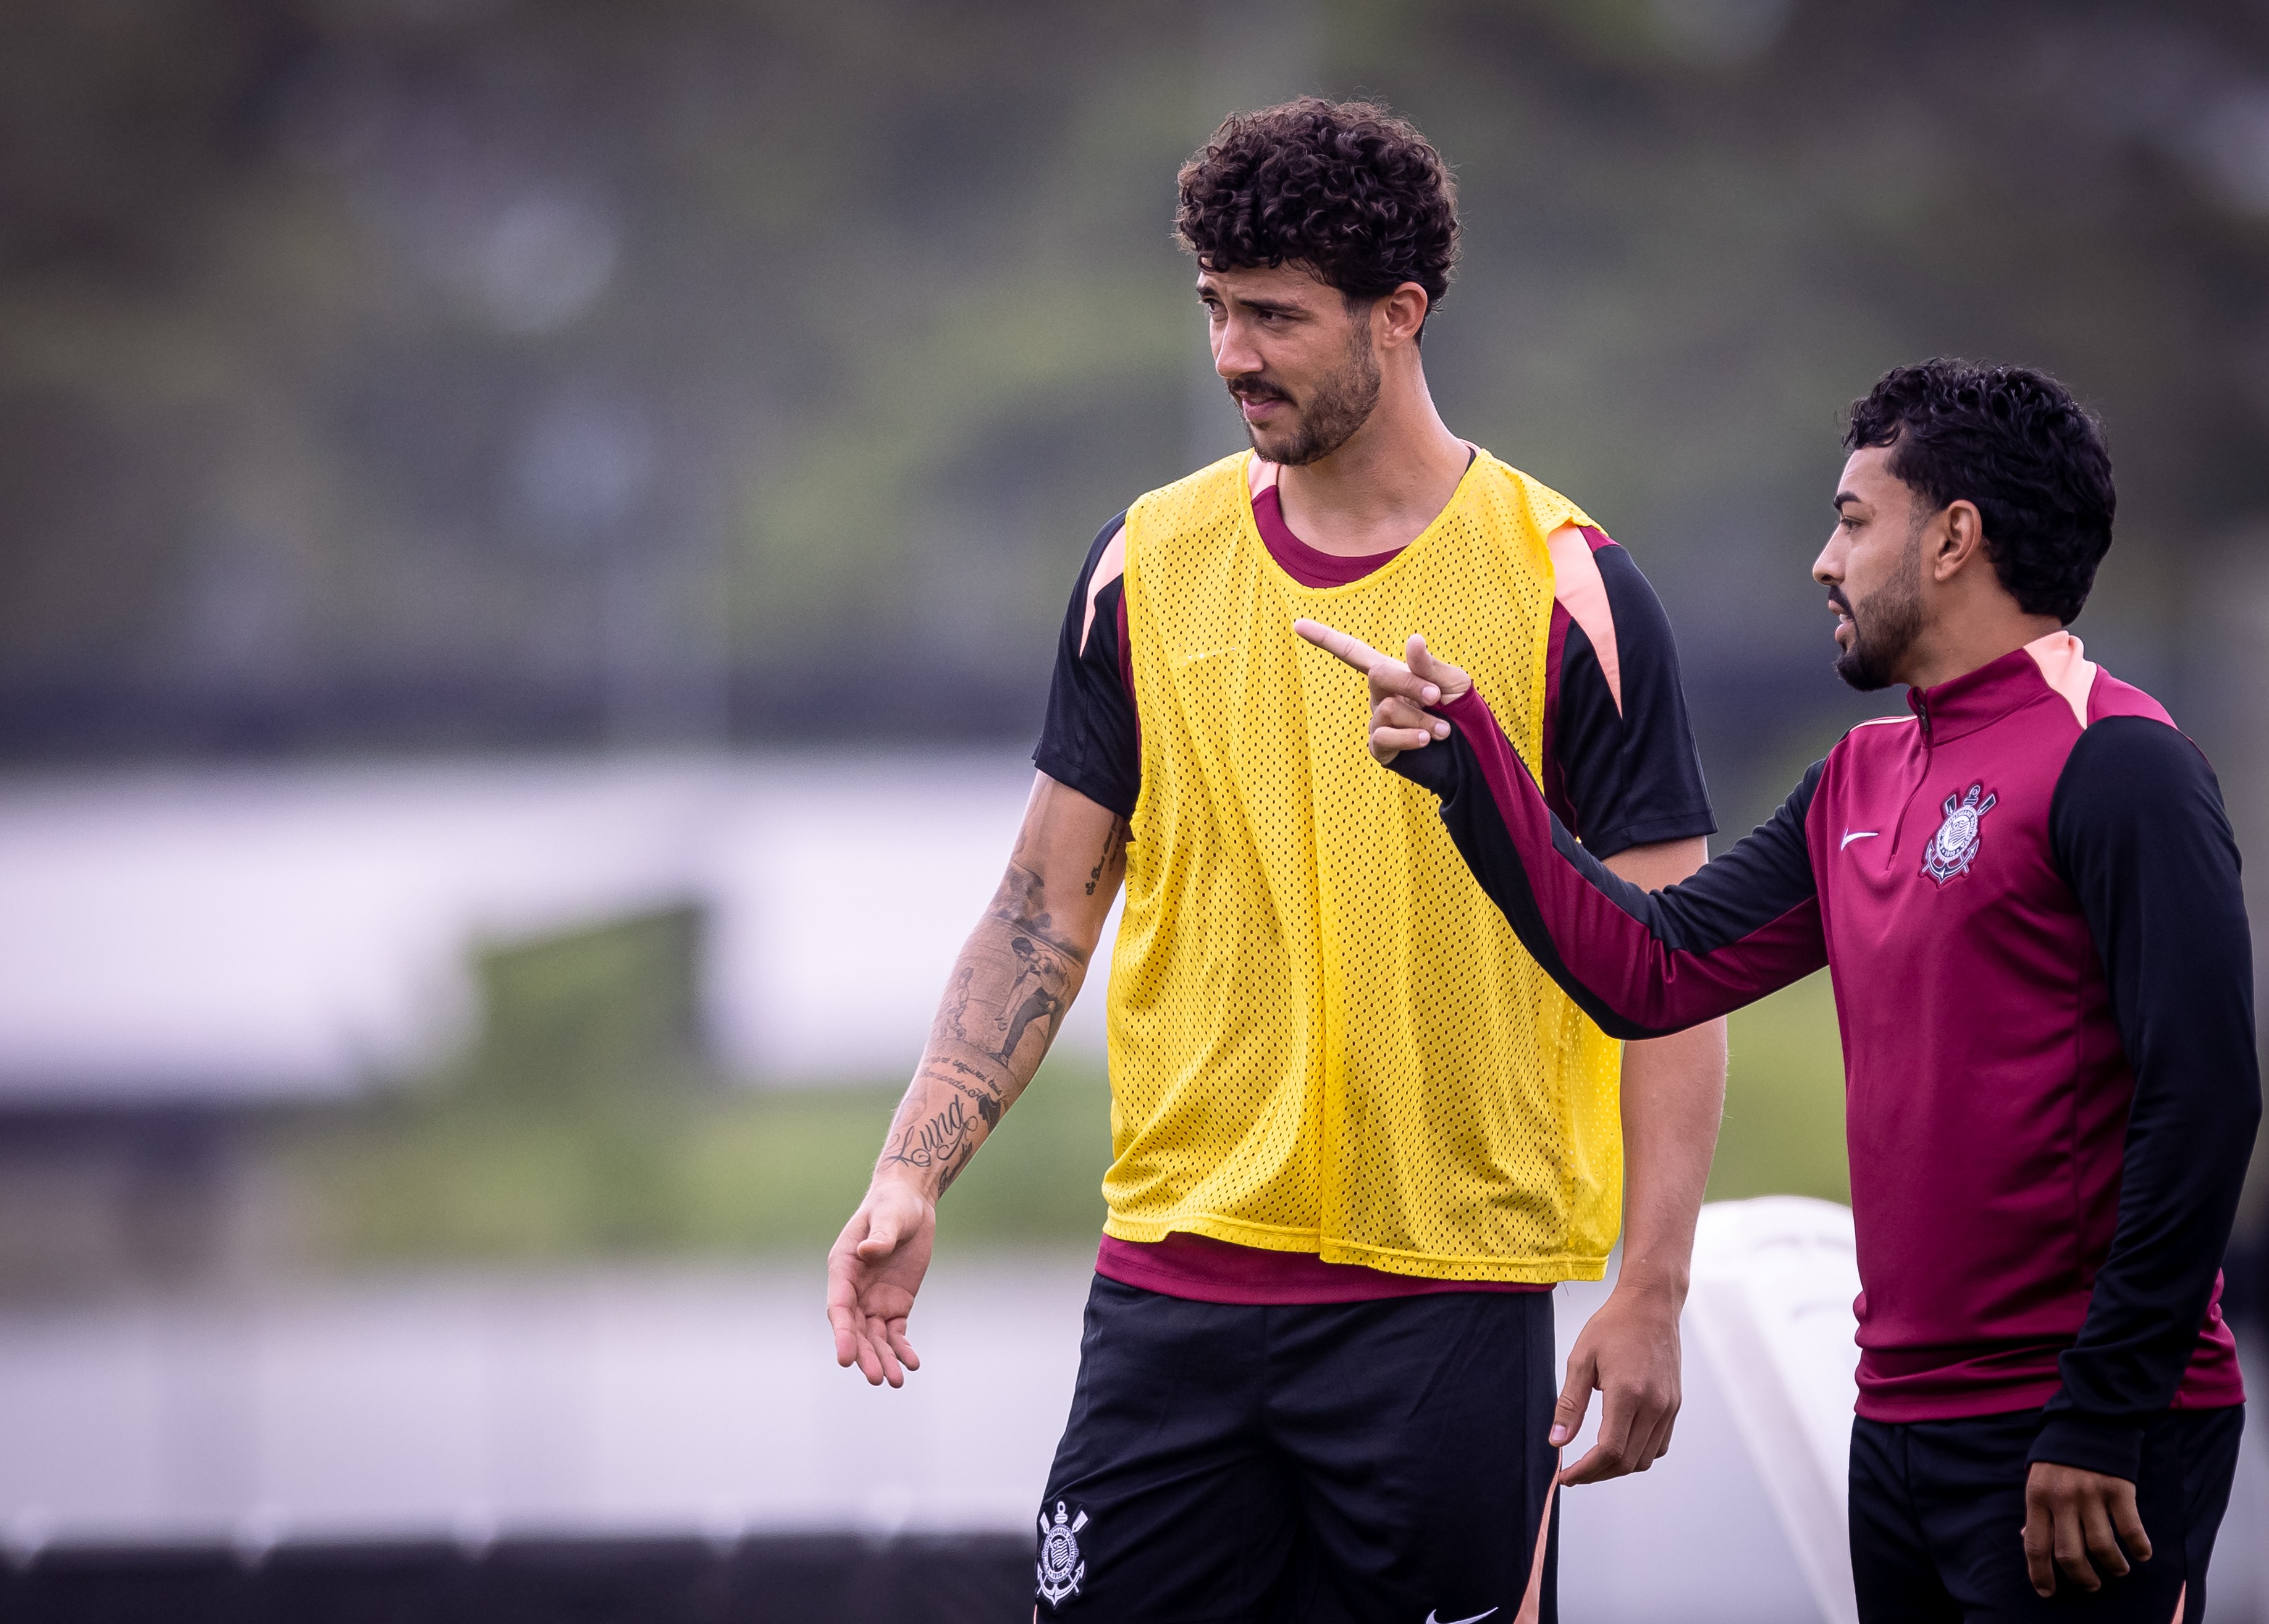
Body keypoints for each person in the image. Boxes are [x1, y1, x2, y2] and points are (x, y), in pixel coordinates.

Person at [826, 97, 1727, 1622]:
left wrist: (1651, 1289)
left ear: (1400, 314)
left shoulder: (1569, 586)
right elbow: (1042, 905)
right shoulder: (1142, 565)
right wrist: (910, 1169)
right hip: (1173, 1282)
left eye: (1274, 317)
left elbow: (1675, 967)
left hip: (1445, 1303)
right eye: (1213, 312)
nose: (1232, 354)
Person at [1298, 359, 2257, 1622]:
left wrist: (2101, 1412)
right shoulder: (1856, 779)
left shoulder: (2118, 763)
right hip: (1897, 1424)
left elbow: (2205, 1102)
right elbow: (1651, 969)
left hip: (2078, 1433)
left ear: (1956, 538)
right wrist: (1472, 770)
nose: (1824, 559)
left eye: (1855, 520)